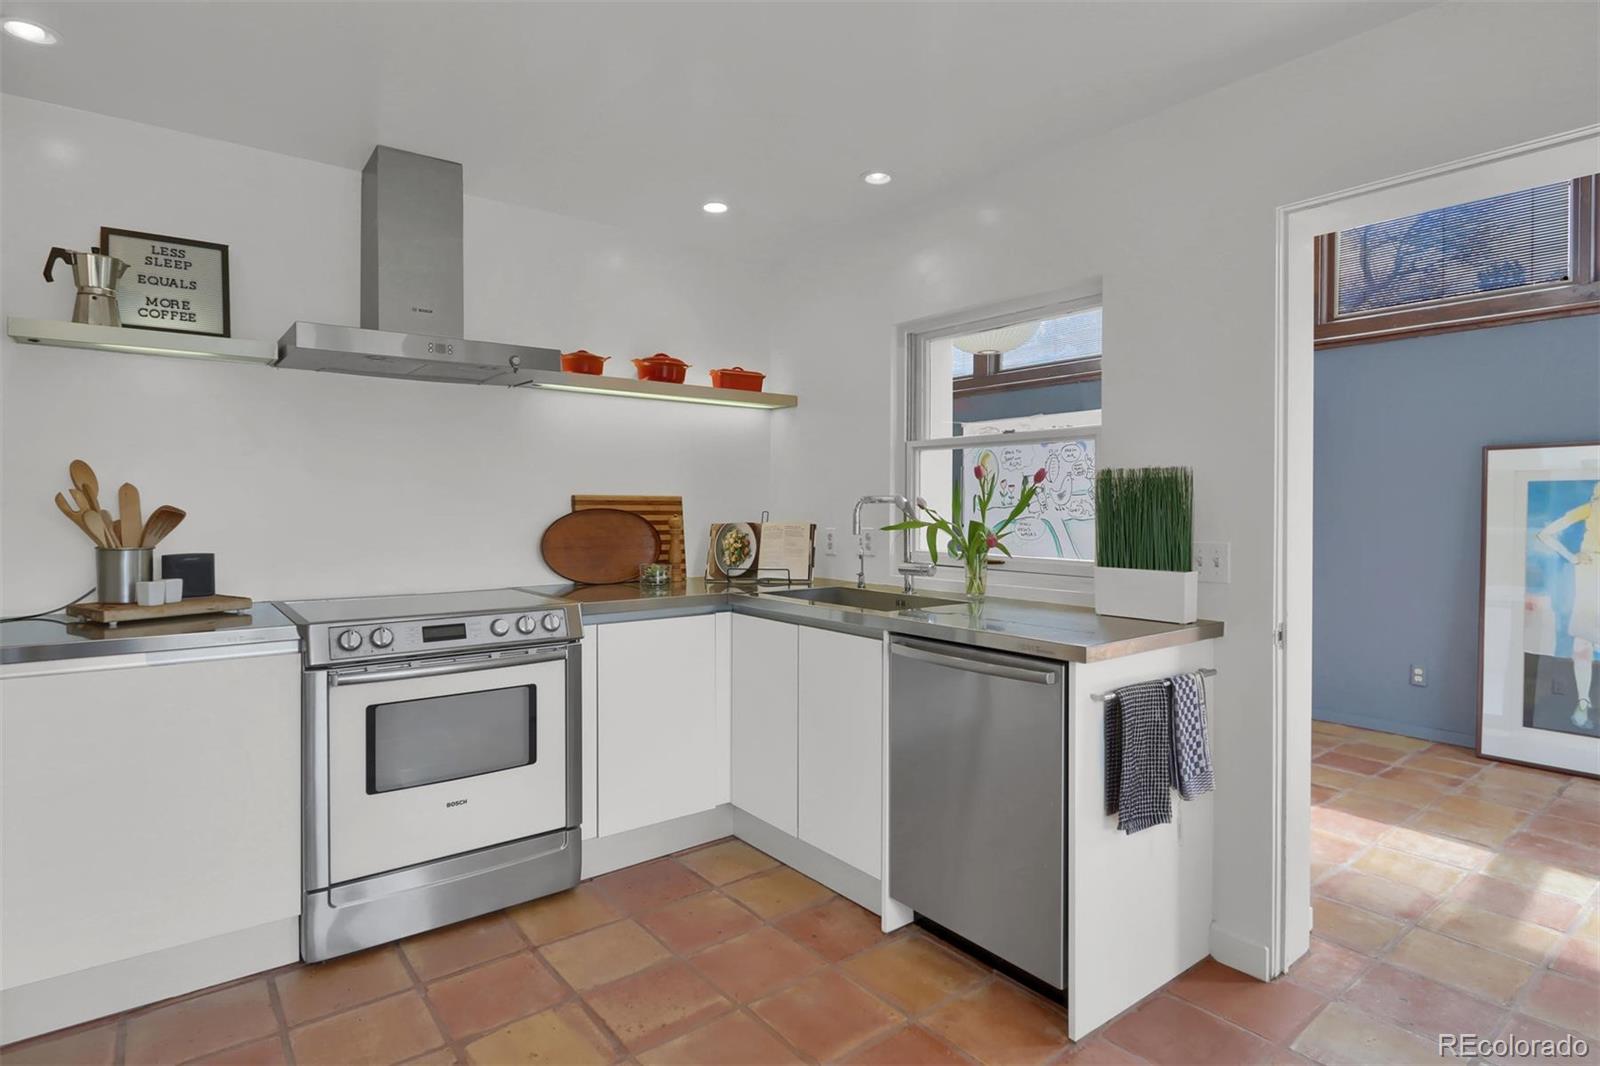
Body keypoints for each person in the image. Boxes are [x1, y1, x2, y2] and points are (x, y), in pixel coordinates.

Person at [1538, 482, 1600, 729]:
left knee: (1584, 641)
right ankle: (1582, 702)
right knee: (1583, 640)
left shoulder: (1588, 509)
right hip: (1588, 574)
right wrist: (1573, 558)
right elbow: (1545, 534)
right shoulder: (1587, 509)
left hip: (1588, 572)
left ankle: (1583, 704)